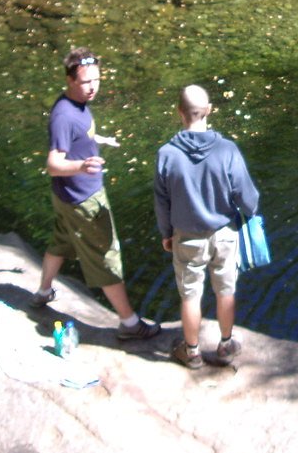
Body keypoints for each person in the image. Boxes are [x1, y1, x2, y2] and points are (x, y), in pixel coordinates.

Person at [30, 47, 161, 342]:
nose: (93, 87)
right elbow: (53, 165)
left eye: (97, 80)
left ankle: (42, 291)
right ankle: (129, 323)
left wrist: (95, 138)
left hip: (67, 198)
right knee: (106, 256)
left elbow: (77, 136)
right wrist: (82, 165)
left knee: (61, 240)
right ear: (70, 80)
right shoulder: (64, 115)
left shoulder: (74, 104)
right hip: (83, 200)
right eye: (86, 82)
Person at [154, 84, 259, 368]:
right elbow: (247, 196)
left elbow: (161, 202)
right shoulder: (227, 150)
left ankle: (191, 352)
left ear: (179, 113)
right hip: (225, 234)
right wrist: (250, 213)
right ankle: (226, 345)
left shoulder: (167, 154)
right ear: (210, 111)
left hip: (186, 237)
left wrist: (166, 234)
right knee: (225, 289)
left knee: (190, 295)